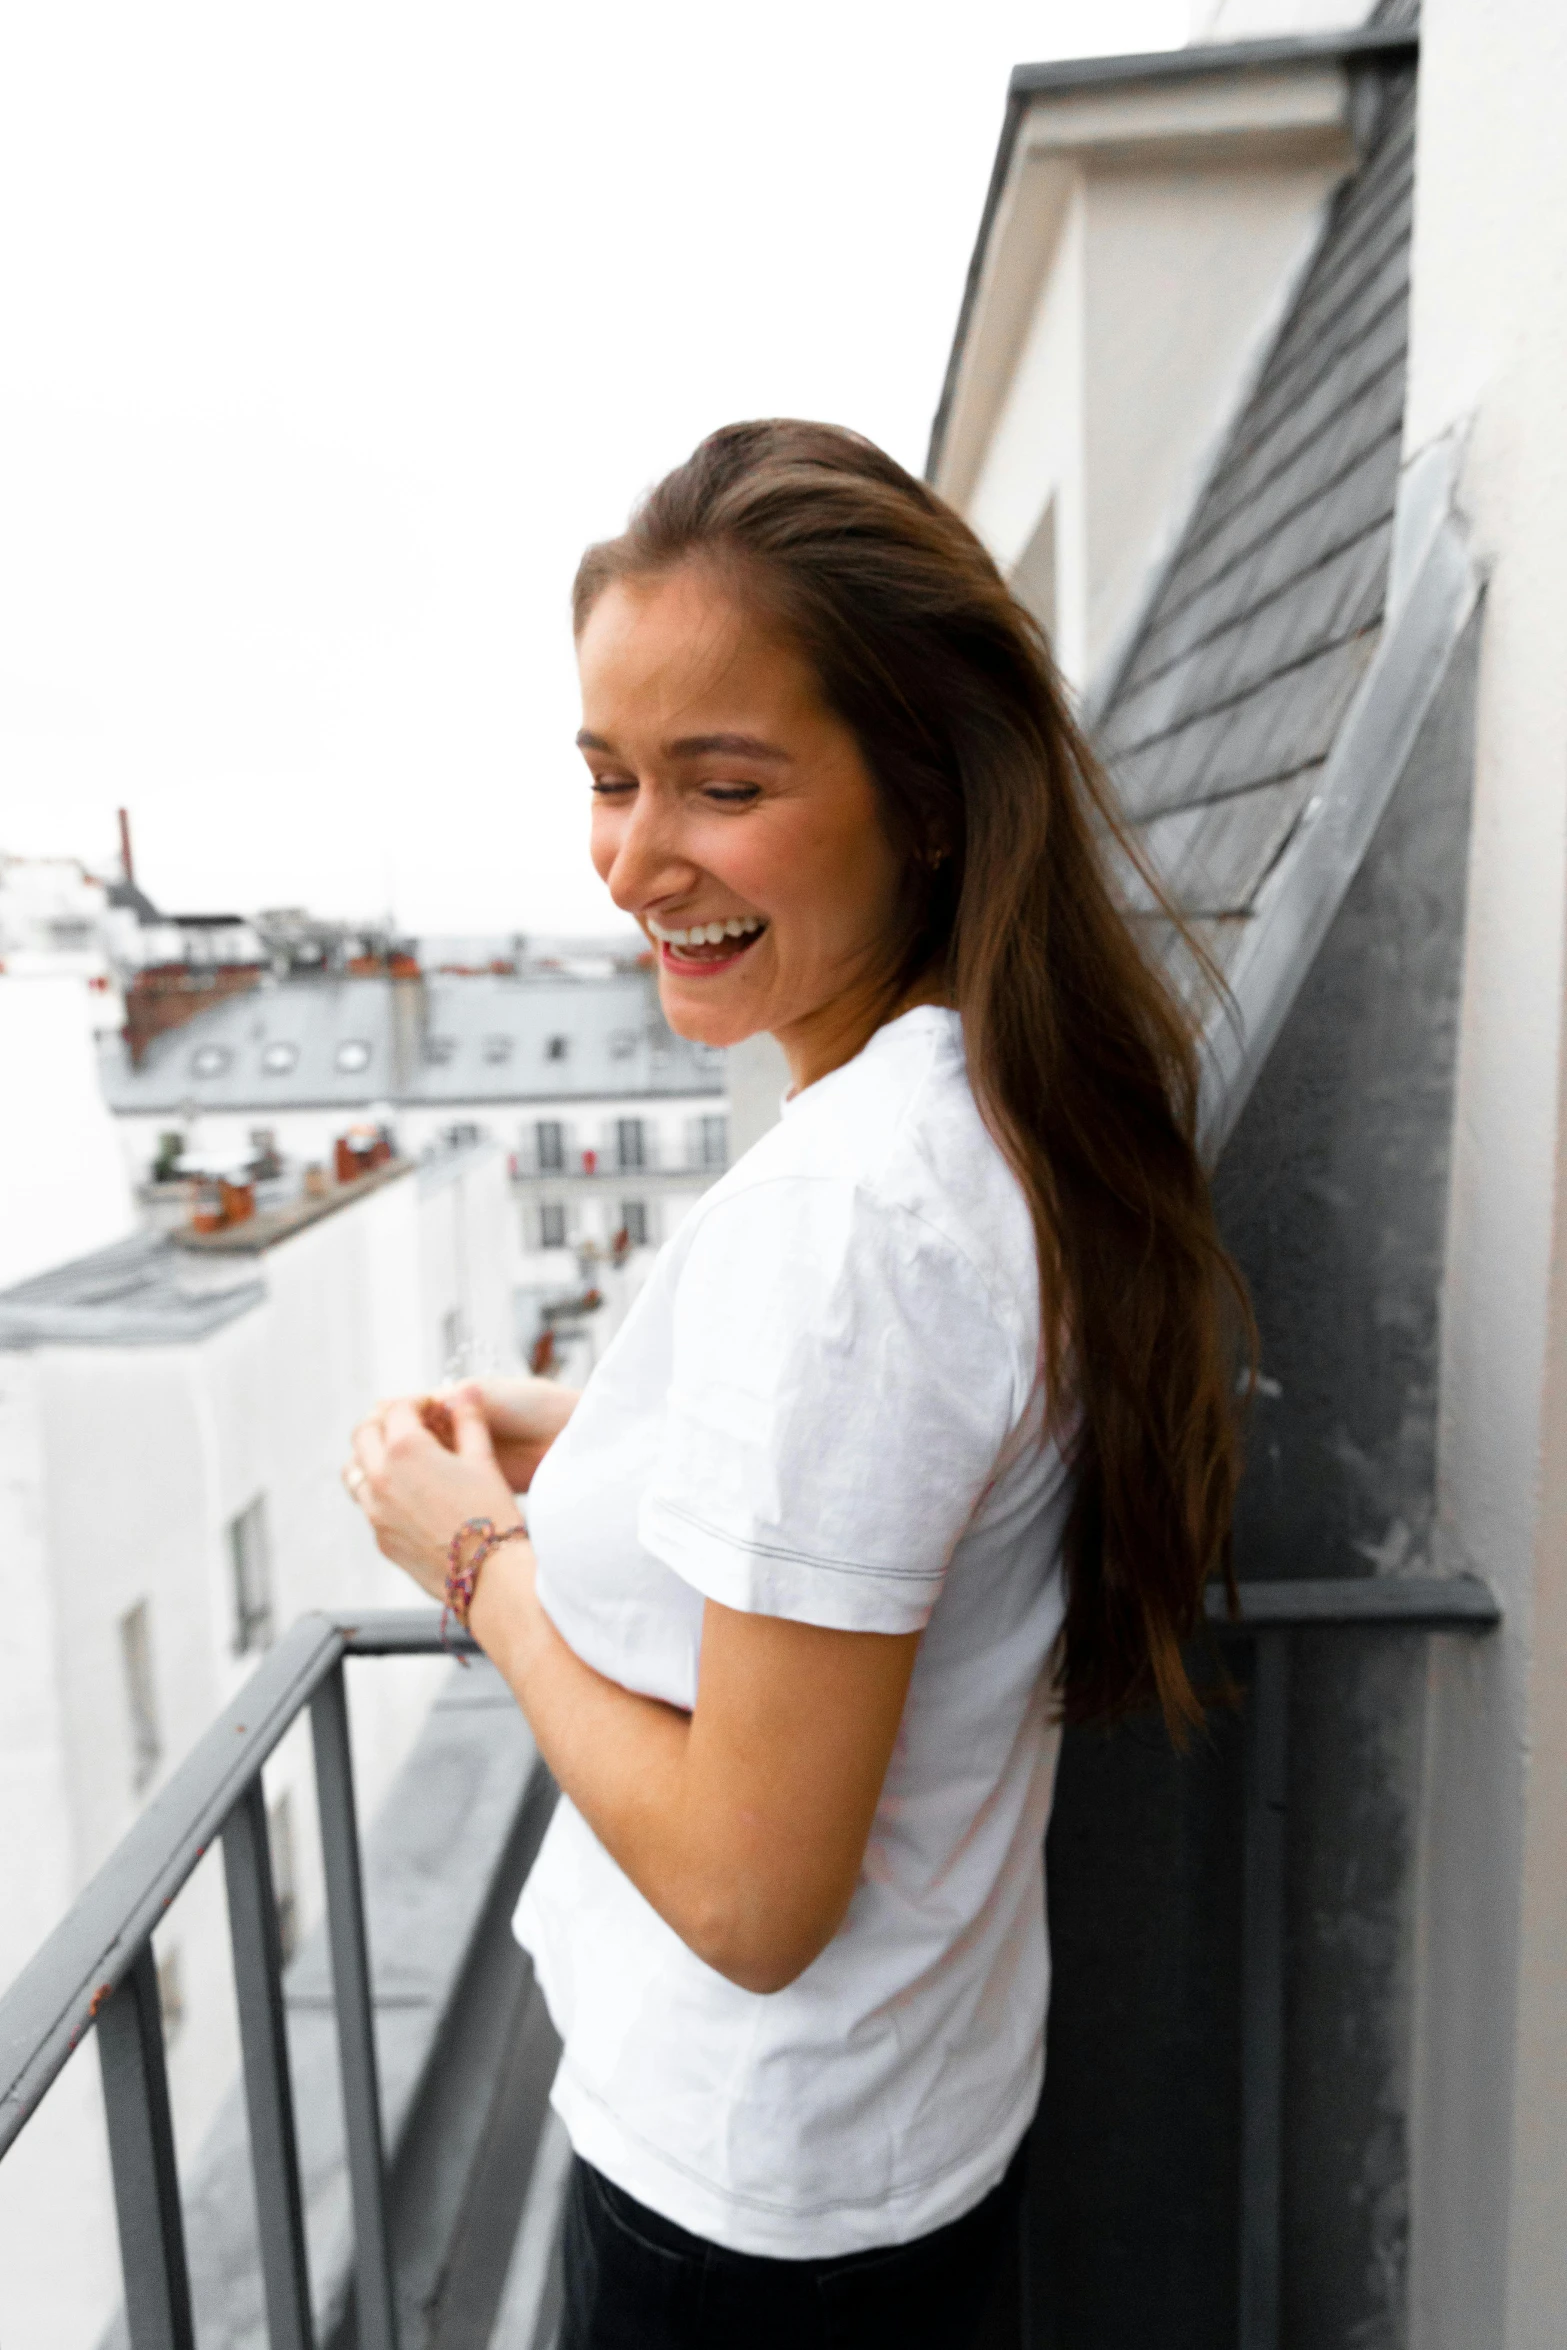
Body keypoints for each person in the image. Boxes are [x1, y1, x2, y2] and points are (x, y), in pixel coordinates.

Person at [344, 420, 1249, 2348]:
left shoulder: (844, 1215)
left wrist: (477, 1555)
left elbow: (755, 1899)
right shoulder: (979, 1112)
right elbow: (902, 1502)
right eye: (606, 777)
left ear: (919, 796)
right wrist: (610, 1443)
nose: (635, 858)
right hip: (907, 2134)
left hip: (748, 2215)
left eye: (721, 783)